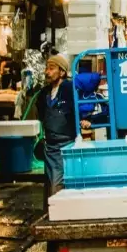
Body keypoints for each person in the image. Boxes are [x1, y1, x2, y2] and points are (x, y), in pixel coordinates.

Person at [36, 54, 90, 196]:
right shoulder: (44, 93)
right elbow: (41, 113)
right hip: (49, 145)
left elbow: (80, 110)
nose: (47, 72)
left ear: (62, 72)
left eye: (52, 68)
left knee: (57, 183)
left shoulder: (68, 88)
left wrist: (84, 120)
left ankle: (57, 213)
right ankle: (49, 213)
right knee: (49, 182)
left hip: (65, 144)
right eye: (46, 68)